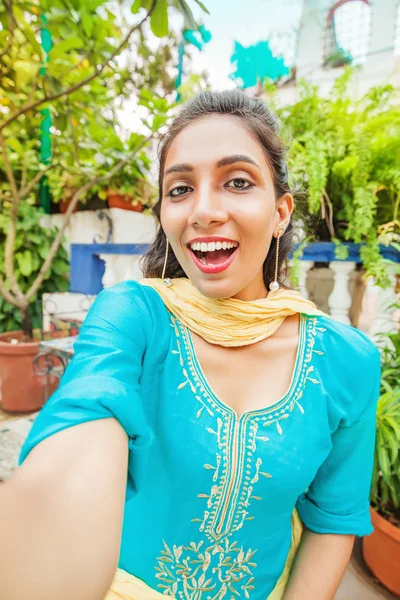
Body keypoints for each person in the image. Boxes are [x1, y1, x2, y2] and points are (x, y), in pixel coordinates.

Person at [0, 91, 380, 600]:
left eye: (238, 182)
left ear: (281, 212)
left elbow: (333, 518)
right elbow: (84, 419)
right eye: (179, 189)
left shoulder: (348, 361)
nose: (203, 211)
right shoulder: (135, 317)